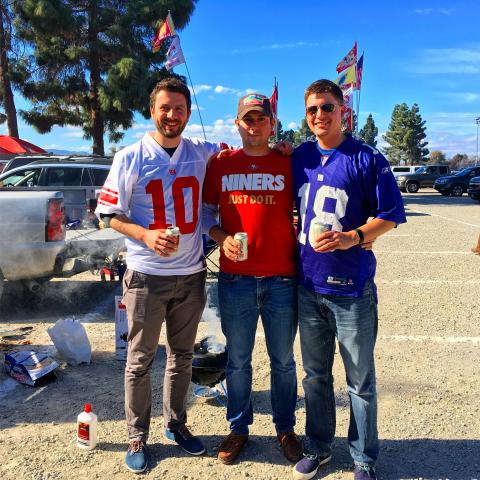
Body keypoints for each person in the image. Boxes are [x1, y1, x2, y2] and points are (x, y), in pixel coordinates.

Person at [95, 78, 230, 474]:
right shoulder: (131, 156)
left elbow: (241, 150)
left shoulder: (202, 151)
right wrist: (145, 234)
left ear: (189, 112)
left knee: (182, 355)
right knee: (139, 359)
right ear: (151, 110)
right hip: (146, 275)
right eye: (165, 108)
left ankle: (176, 423)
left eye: (179, 109)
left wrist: (281, 148)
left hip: (190, 274)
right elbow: (106, 215)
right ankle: (137, 433)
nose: (172, 116)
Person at [291, 80, 406, 480]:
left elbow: (390, 215)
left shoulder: (367, 157)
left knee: (359, 381)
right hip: (308, 286)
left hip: (352, 290)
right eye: (312, 110)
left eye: (327, 108)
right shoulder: (299, 156)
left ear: (344, 111)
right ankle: (320, 445)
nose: (319, 116)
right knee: (316, 375)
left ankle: (363, 458)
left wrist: (354, 237)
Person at [202, 93, 302, 465]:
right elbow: (206, 214)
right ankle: (239, 428)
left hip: (281, 278)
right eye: (248, 118)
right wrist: (220, 238)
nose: (254, 124)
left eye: (261, 118)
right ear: (237, 123)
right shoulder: (222, 163)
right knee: (239, 360)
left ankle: (285, 428)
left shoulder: (289, 161)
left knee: (283, 361)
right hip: (236, 280)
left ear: (272, 123)